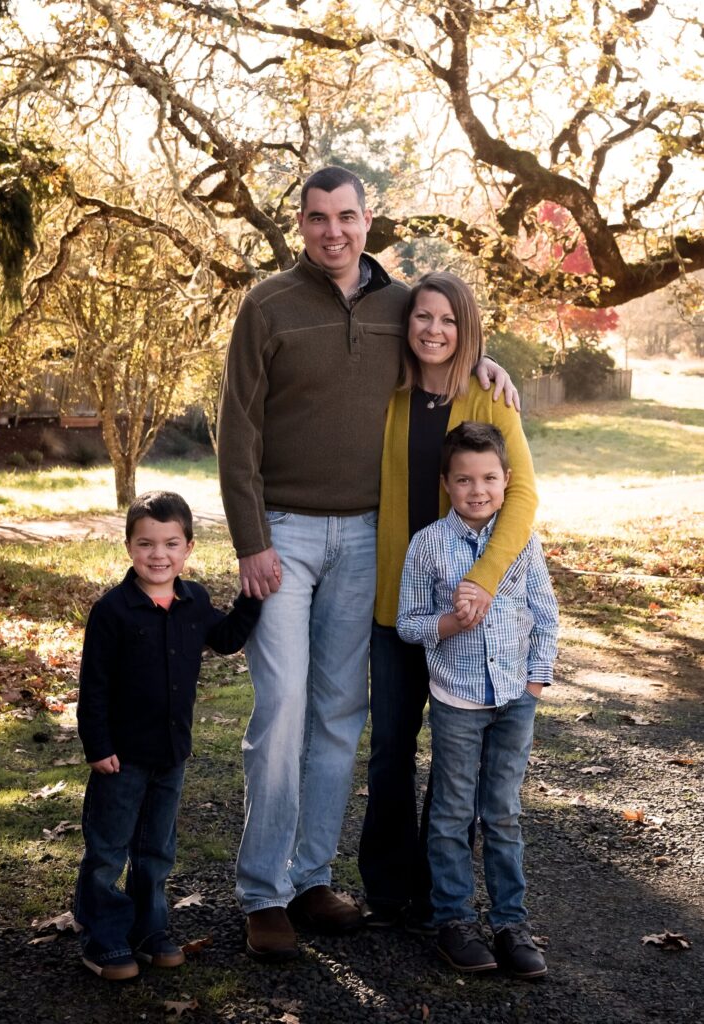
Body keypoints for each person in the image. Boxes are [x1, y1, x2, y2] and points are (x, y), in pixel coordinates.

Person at [216, 166, 516, 962]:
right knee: (279, 711)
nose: (332, 232)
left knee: (336, 714)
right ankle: (262, 893)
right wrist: (250, 539)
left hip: (364, 537)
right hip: (282, 535)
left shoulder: (395, 305)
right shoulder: (268, 304)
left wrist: (491, 366)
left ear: (368, 219)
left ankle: (311, 878)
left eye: (345, 216)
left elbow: (443, 342)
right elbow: (236, 427)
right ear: (301, 225)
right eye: (316, 219)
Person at [359, 272, 539, 933]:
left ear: (468, 330)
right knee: (390, 747)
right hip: (398, 605)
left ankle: (444, 892)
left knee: (456, 755)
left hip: (472, 613)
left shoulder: (490, 396)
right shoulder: (389, 394)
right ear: (407, 325)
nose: (434, 330)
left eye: (449, 321)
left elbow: (520, 496)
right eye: (422, 317)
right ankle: (386, 889)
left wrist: (483, 581)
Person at [75, 490, 260, 981]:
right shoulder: (112, 611)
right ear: (129, 548)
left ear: (189, 549)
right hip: (121, 756)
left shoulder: (193, 600)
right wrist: (98, 746)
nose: (159, 555)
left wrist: (252, 596)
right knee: (108, 848)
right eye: (146, 544)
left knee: (156, 849)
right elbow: (93, 685)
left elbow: (225, 640)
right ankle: (104, 936)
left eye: (171, 543)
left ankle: (149, 928)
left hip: (171, 753)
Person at [396, 422, 558, 977]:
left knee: (504, 812)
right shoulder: (428, 546)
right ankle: (454, 920)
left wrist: (536, 684)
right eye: (464, 479)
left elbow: (545, 614)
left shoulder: (521, 541)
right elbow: (407, 623)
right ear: (446, 483)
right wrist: (447, 623)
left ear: (507, 481)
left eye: (489, 478)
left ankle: (511, 922)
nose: (478, 490)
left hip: (515, 698)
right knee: (451, 812)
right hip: (456, 700)